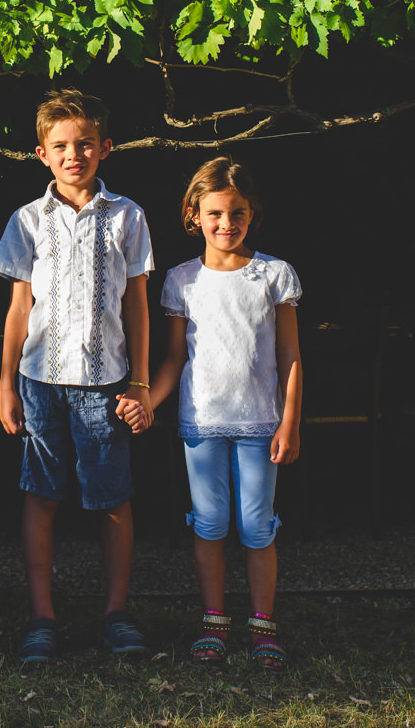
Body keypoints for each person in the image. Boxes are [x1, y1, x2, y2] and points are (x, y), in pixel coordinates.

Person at [0, 89, 154, 664]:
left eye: (85, 144)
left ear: (104, 148)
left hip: (106, 383)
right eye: (60, 145)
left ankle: (116, 612)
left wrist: (138, 380)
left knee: (112, 498)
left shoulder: (128, 217)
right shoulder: (28, 220)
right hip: (39, 382)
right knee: (41, 494)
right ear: (41, 154)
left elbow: (137, 305)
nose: (73, 154)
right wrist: (7, 383)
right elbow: (18, 309)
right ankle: (43, 617)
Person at [130, 156, 304, 669]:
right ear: (194, 216)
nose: (227, 223)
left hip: (261, 425)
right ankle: (214, 621)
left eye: (238, 213)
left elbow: (291, 357)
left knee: (256, 525)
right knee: (209, 523)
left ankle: (263, 625)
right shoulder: (182, 281)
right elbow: (174, 358)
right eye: (215, 214)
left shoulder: (274, 276)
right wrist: (146, 399)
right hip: (201, 424)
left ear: (252, 214)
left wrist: (290, 421)